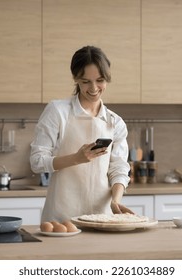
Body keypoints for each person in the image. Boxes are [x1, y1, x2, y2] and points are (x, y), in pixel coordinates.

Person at [30, 46, 134, 223]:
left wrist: (115, 201)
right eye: (86, 81)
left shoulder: (115, 122)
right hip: (61, 219)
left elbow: (119, 168)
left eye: (100, 80)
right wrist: (77, 158)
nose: (93, 88)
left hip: (102, 217)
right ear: (76, 79)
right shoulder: (57, 111)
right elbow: (37, 162)